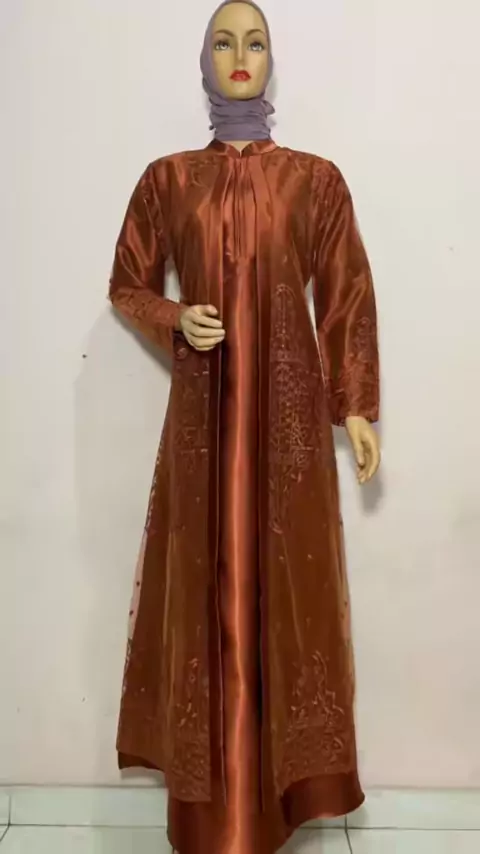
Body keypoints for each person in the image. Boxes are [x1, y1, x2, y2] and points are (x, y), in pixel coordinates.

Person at [109, 2, 381, 853]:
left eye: (254, 41)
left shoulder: (315, 181)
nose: (239, 54)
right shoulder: (167, 181)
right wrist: (175, 317)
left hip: (287, 435)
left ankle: (275, 806)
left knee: (281, 596)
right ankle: (208, 817)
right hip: (204, 426)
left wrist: (356, 406)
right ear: (205, 60)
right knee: (205, 595)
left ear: (271, 60)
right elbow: (126, 283)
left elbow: (346, 293)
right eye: (223, 41)